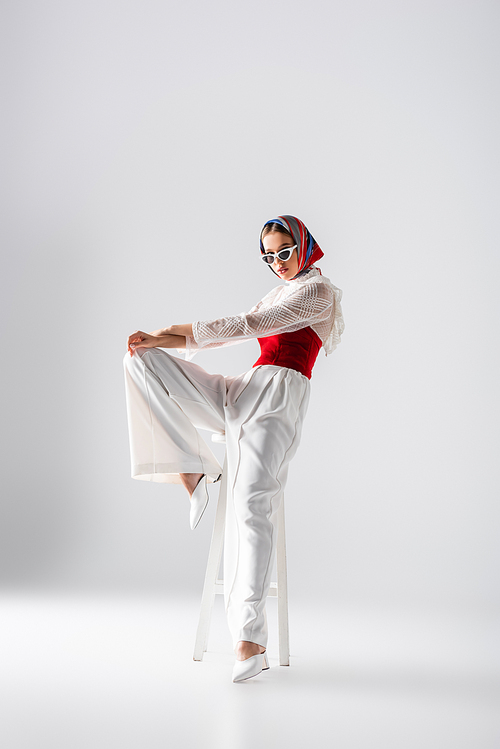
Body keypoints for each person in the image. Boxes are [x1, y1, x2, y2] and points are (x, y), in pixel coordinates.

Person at [123, 214, 345, 683]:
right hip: (243, 388)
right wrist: (159, 340)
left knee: (251, 506)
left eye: (284, 252)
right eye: (269, 256)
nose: (277, 263)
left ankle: (250, 638)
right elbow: (236, 329)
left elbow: (249, 324)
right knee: (141, 360)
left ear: (304, 246)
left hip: (278, 397)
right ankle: (193, 470)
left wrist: (169, 329)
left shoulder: (319, 291)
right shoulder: (278, 290)